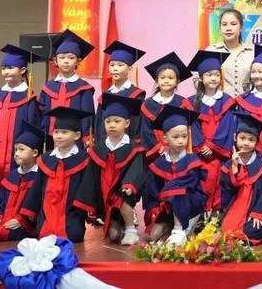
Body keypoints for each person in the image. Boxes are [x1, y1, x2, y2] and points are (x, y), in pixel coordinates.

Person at [74, 94, 146, 246]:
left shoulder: (134, 148)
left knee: (123, 201)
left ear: (127, 123)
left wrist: (129, 185)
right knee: (113, 237)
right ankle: (117, 224)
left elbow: (136, 170)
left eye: (117, 121)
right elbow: (91, 176)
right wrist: (89, 198)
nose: (112, 125)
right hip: (104, 195)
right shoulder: (98, 149)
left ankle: (131, 230)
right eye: (108, 121)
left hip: (123, 193)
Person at [20, 108, 92, 243]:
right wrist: (30, 210)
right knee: (43, 234)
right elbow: (37, 188)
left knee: (72, 235)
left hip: (72, 219)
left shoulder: (84, 159)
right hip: (46, 220)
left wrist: (89, 211)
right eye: (56, 132)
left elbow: (87, 189)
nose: (58, 136)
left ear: (76, 135)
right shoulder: (46, 159)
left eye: (64, 132)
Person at [144, 106, 207, 245]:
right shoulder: (158, 163)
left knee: (177, 192)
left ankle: (178, 229)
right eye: (176, 137)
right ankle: (169, 226)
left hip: (189, 204)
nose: (181, 141)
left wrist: (167, 193)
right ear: (165, 138)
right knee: (151, 236)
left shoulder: (193, 161)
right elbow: (152, 191)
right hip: (165, 206)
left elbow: (189, 184)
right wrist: (154, 208)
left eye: (184, 136)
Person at [0, 44, 42, 183]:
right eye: (3, 68)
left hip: (14, 156)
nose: (6, 72)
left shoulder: (29, 99)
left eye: (10, 68)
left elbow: (31, 129)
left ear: (22, 70)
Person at [187, 49, 237, 212]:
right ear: (201, 78)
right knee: (202, 182)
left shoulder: (228, 101)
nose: (214, 78)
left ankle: (217, 217)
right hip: (200, 154)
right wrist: (201, 146)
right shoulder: (191, 102)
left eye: (216, 74)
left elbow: (227, 126)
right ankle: (200, 217)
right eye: (209, 75)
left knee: (221, 183)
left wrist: (213, 146)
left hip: (219, 154)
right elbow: (192, 127)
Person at [219, 112, 262, 244]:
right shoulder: (228, 164)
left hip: (255, 209)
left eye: (251, 140)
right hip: (236, 207)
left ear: (257, 142)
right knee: (226, 229)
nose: (246, 143)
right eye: (243, 138)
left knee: (253, 229)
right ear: (235, 137)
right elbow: (227, 189)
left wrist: (259, 213)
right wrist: (234, 167)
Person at [0, 122, 46, 241]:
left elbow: (38, 205)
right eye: (15, 150)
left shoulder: (40, 177)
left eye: (21, 150)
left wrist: (21, 220)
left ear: (34, 153)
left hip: (27, 224)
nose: (17, 154)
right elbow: (1, 202)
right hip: (6, 219)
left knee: (6, 233)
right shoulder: (12, 175)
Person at [39, 30, 95, 145]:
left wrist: (86, 138)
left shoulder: (83, 88)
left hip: (76, 141)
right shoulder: (48, 87)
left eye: (71, 58)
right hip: (50, 140)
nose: (66, 61)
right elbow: (42, 115)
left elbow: (87, 117)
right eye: (62, 57)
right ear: (55, 60)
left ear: (78, 61)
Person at [140, 52, 193, 161]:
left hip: (179, 151)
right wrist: (158, 147)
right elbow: (145, 130)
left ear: (177, 82)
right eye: (162, 77)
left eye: (170, 78)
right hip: (155, 153)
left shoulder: (183, 103)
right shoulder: (148, 104)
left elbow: (187, 130)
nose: (166, 80)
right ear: (157, 80)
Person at [95, 40, 146, 143]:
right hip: (106, 144)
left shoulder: (136, 95)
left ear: (130, 68)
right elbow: (99, 124)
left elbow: (137, 124)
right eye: (112, 65)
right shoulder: (105, 95)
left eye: (120, 65)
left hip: (128, 145)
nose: (115, 69)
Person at [207, 8, 255, 96]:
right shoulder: (211, 51)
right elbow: (198, 79)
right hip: (220, 105)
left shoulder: (253, 52)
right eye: (224, 24)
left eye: (233, 24)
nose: (228, 28)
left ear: (241, 27)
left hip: (247, 105)